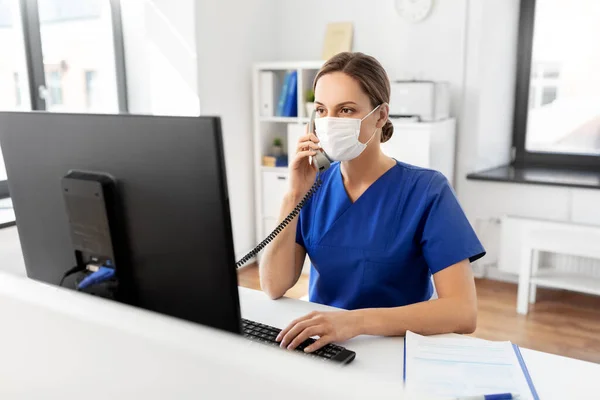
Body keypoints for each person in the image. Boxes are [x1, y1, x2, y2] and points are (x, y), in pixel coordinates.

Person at [259, 52, 485, 353]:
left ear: (380, 115)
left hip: (396, 347)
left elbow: (462, 312)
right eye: (322, 111)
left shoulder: (427, 191)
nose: (330, 122)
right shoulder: (314, 186)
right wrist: (293, 196)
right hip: (325, 345)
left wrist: (354, 322)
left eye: (346, 110)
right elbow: (274, 285)